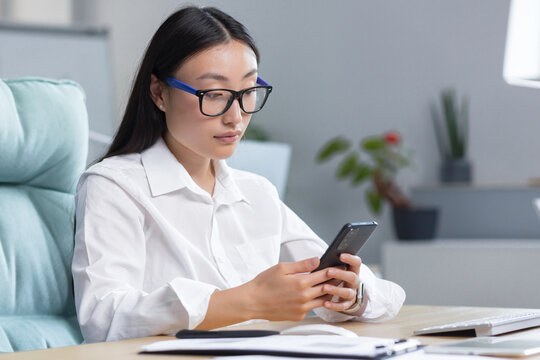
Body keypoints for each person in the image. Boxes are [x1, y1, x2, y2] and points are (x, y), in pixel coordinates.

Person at [72, 6, 405, 343]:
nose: (236, 117)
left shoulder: (256, 193)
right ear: (159, 93)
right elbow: (103, 317)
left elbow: (380, 294)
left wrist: (351, 294)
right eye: (214, 95)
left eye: (247, 93)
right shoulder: (115, 186)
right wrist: (248, 301)